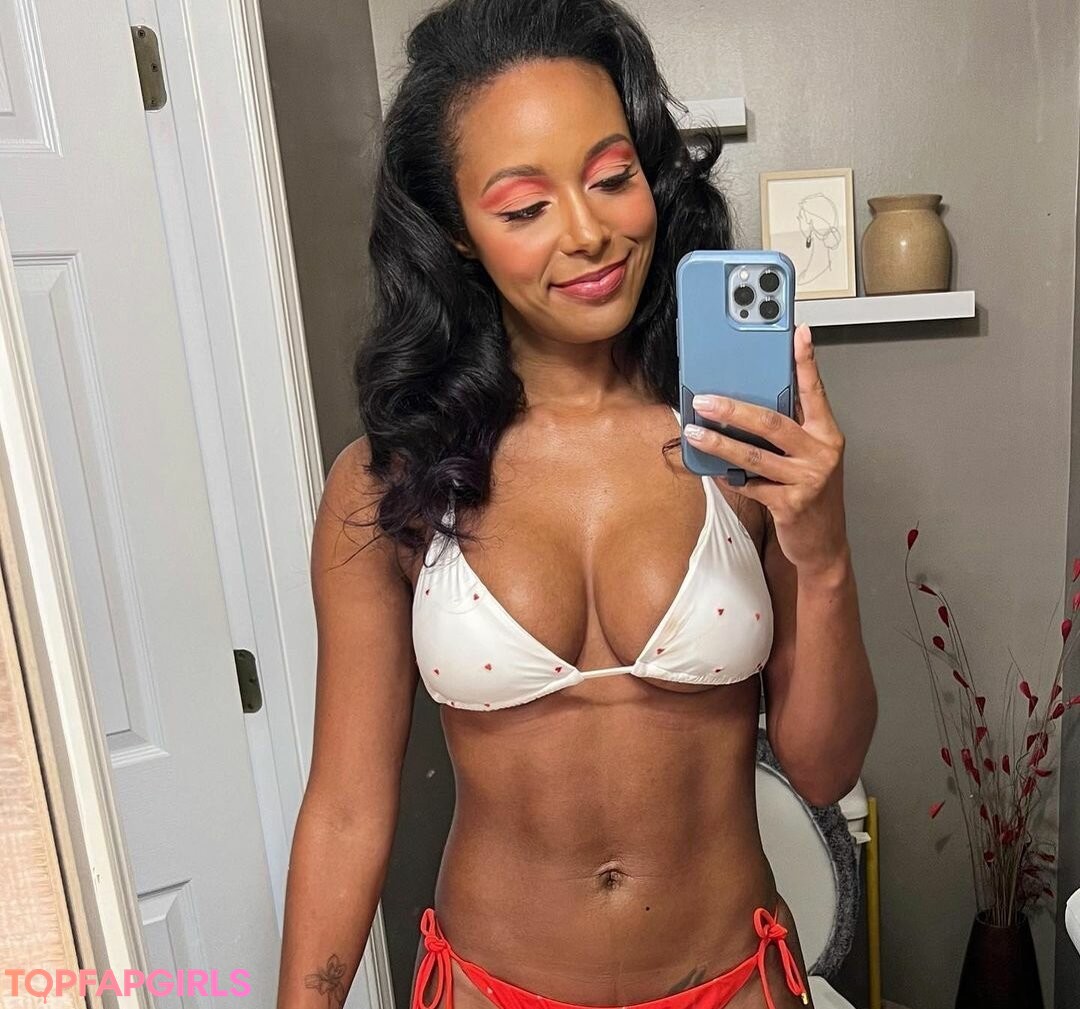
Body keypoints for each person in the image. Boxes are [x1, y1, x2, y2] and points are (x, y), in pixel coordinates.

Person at [275, 1, 877, 1008]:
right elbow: (344, 811)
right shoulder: (390, 482)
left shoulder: (742, 441)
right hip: (486, 987)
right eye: (524, 207)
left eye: (611, 177)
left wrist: (823, 555)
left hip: (732, 984)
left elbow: (823, 768)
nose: (590, 232)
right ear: (457, 232)